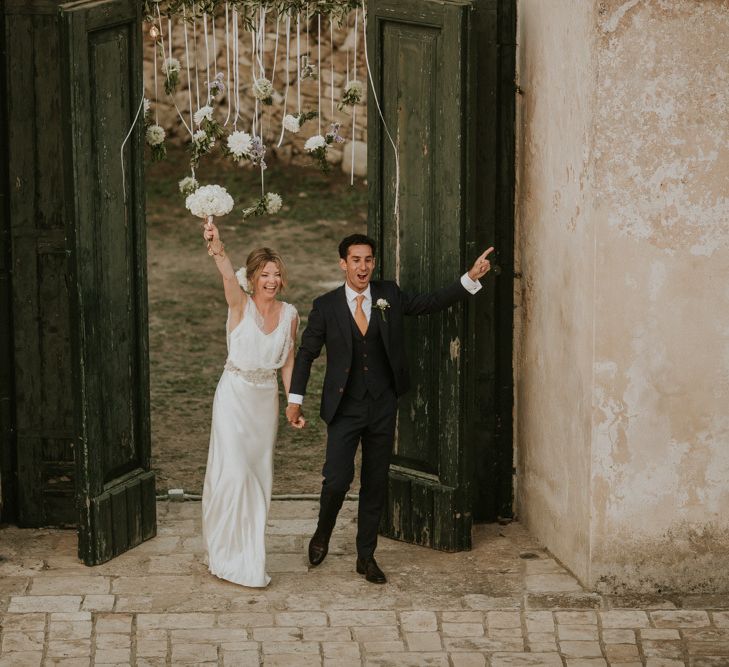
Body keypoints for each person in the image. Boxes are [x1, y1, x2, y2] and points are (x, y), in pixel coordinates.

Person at [286, 233, 493, 584]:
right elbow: (306, 354)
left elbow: (428, 302)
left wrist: (469, 279)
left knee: (375, 481)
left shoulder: (389, 295)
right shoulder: (326, 306)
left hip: (383, 405)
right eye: (355, 260)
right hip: (345, 408)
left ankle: (365, 557)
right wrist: (295, 400)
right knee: (337, 479)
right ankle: (323, 532)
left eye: (368, 260)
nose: (363, 267)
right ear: (343, 264)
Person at [201, 219, 298, 587]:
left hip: (264, 404)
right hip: (234, 396)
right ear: (253, 278)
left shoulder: (290, 315)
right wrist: (217, 245)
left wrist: (294, 403)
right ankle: (225, 553)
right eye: (264, 274)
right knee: (234, 474)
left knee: (258, 479)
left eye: (276, 274)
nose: (271, 280)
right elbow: (227, 277)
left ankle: (250, 556)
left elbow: (288, 360)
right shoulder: (240, 304)